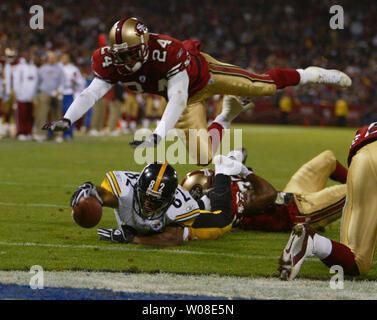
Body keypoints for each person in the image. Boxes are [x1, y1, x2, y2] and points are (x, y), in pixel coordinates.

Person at [43, 17, 352, 165]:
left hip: (205, 77)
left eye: (129, 53)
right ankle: (227, 117)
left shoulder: (168, 51)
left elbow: (179, 94)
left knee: (262, 86)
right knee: (205, 162)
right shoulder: (108, 59)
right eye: (119, 53)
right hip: (182, 102)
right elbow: (92, 92)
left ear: (145, 46)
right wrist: (68, 119)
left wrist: (159, 134)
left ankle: (312, 73)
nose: (123, 59)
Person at [70, 155, 249, 246]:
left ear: (168, 199)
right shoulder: (124, 190)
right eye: (145, 198)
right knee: (200, 205)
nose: (147, 205)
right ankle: (206, 198)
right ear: (138, 188)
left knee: (224, 220)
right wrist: (88, 191)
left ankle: (223, 171)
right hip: (166, 210)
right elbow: (101, 195)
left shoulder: (176, 209)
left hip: (176, 220)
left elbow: (173, 238)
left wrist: (133, 239)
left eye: (154, 202)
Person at [279, 122, 377, 280]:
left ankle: (314, 241)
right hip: (296, 205)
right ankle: (314, 242)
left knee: (355, 250)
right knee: (358, 262)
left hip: (362, 158)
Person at [181, 148, 348, 233]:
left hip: (291, 195)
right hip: (298, 214)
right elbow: (269, 195)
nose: (217, 176)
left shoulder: (223, 183)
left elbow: (242, 150)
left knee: (328, 158)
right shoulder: (228, 205)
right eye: (213, 178)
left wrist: (233, 158)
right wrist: (245, 172)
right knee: (355, 189)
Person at [34, 51, 64, 142]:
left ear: (55, 58)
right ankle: (41, 134)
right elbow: (37, 83)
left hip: (56, 93)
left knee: (57, 114)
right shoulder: (42, 69)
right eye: (50, 57)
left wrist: (59, 91)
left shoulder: (59, 69)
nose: (51, 59)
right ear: (47, 58)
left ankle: (58, 135)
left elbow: (62, 81)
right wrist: (36, 95)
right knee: (42, 114)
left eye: (53, 57)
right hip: (44, 92)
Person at [12, 52, 38, 140]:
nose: (28, 57)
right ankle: (21, 132)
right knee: (21, 116)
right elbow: (16, 82)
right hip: (22, 96)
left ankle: (28, 132)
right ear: (23, 56)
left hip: (32, 96)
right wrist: (18, 94)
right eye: (26, 55)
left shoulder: (34, 67)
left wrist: (34, 95)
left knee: (30, 115)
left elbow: (36, 82)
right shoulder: (19, 67)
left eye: (29, 55)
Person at [59, 52, 85, 140]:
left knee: (69, 115)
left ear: (69, 59)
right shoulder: (57, 67)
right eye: (63, 57)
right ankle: (53, 134)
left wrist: (75, 82)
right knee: (56, 115)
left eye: (66, 58)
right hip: (58, 93)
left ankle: (68, 134)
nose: (64, 59)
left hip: (69, 93)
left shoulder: (74, 69)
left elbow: (81, 82)